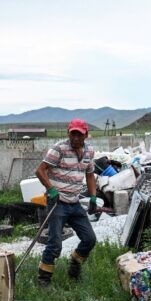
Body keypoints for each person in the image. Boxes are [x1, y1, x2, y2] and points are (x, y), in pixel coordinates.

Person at [35, 118, 98, 286]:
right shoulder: (59, 149)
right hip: (58, 203)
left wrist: (93, 196)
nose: (76, 138)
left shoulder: (89, 152)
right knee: (55, 244)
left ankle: (74, 267)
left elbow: (90, 175)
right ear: (68, 133)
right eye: (73, 134)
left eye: (80, 134)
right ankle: (43, 280)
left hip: (75, 203)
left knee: (89, 239)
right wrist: (51, 189)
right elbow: (40, 170)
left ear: (85, 135)